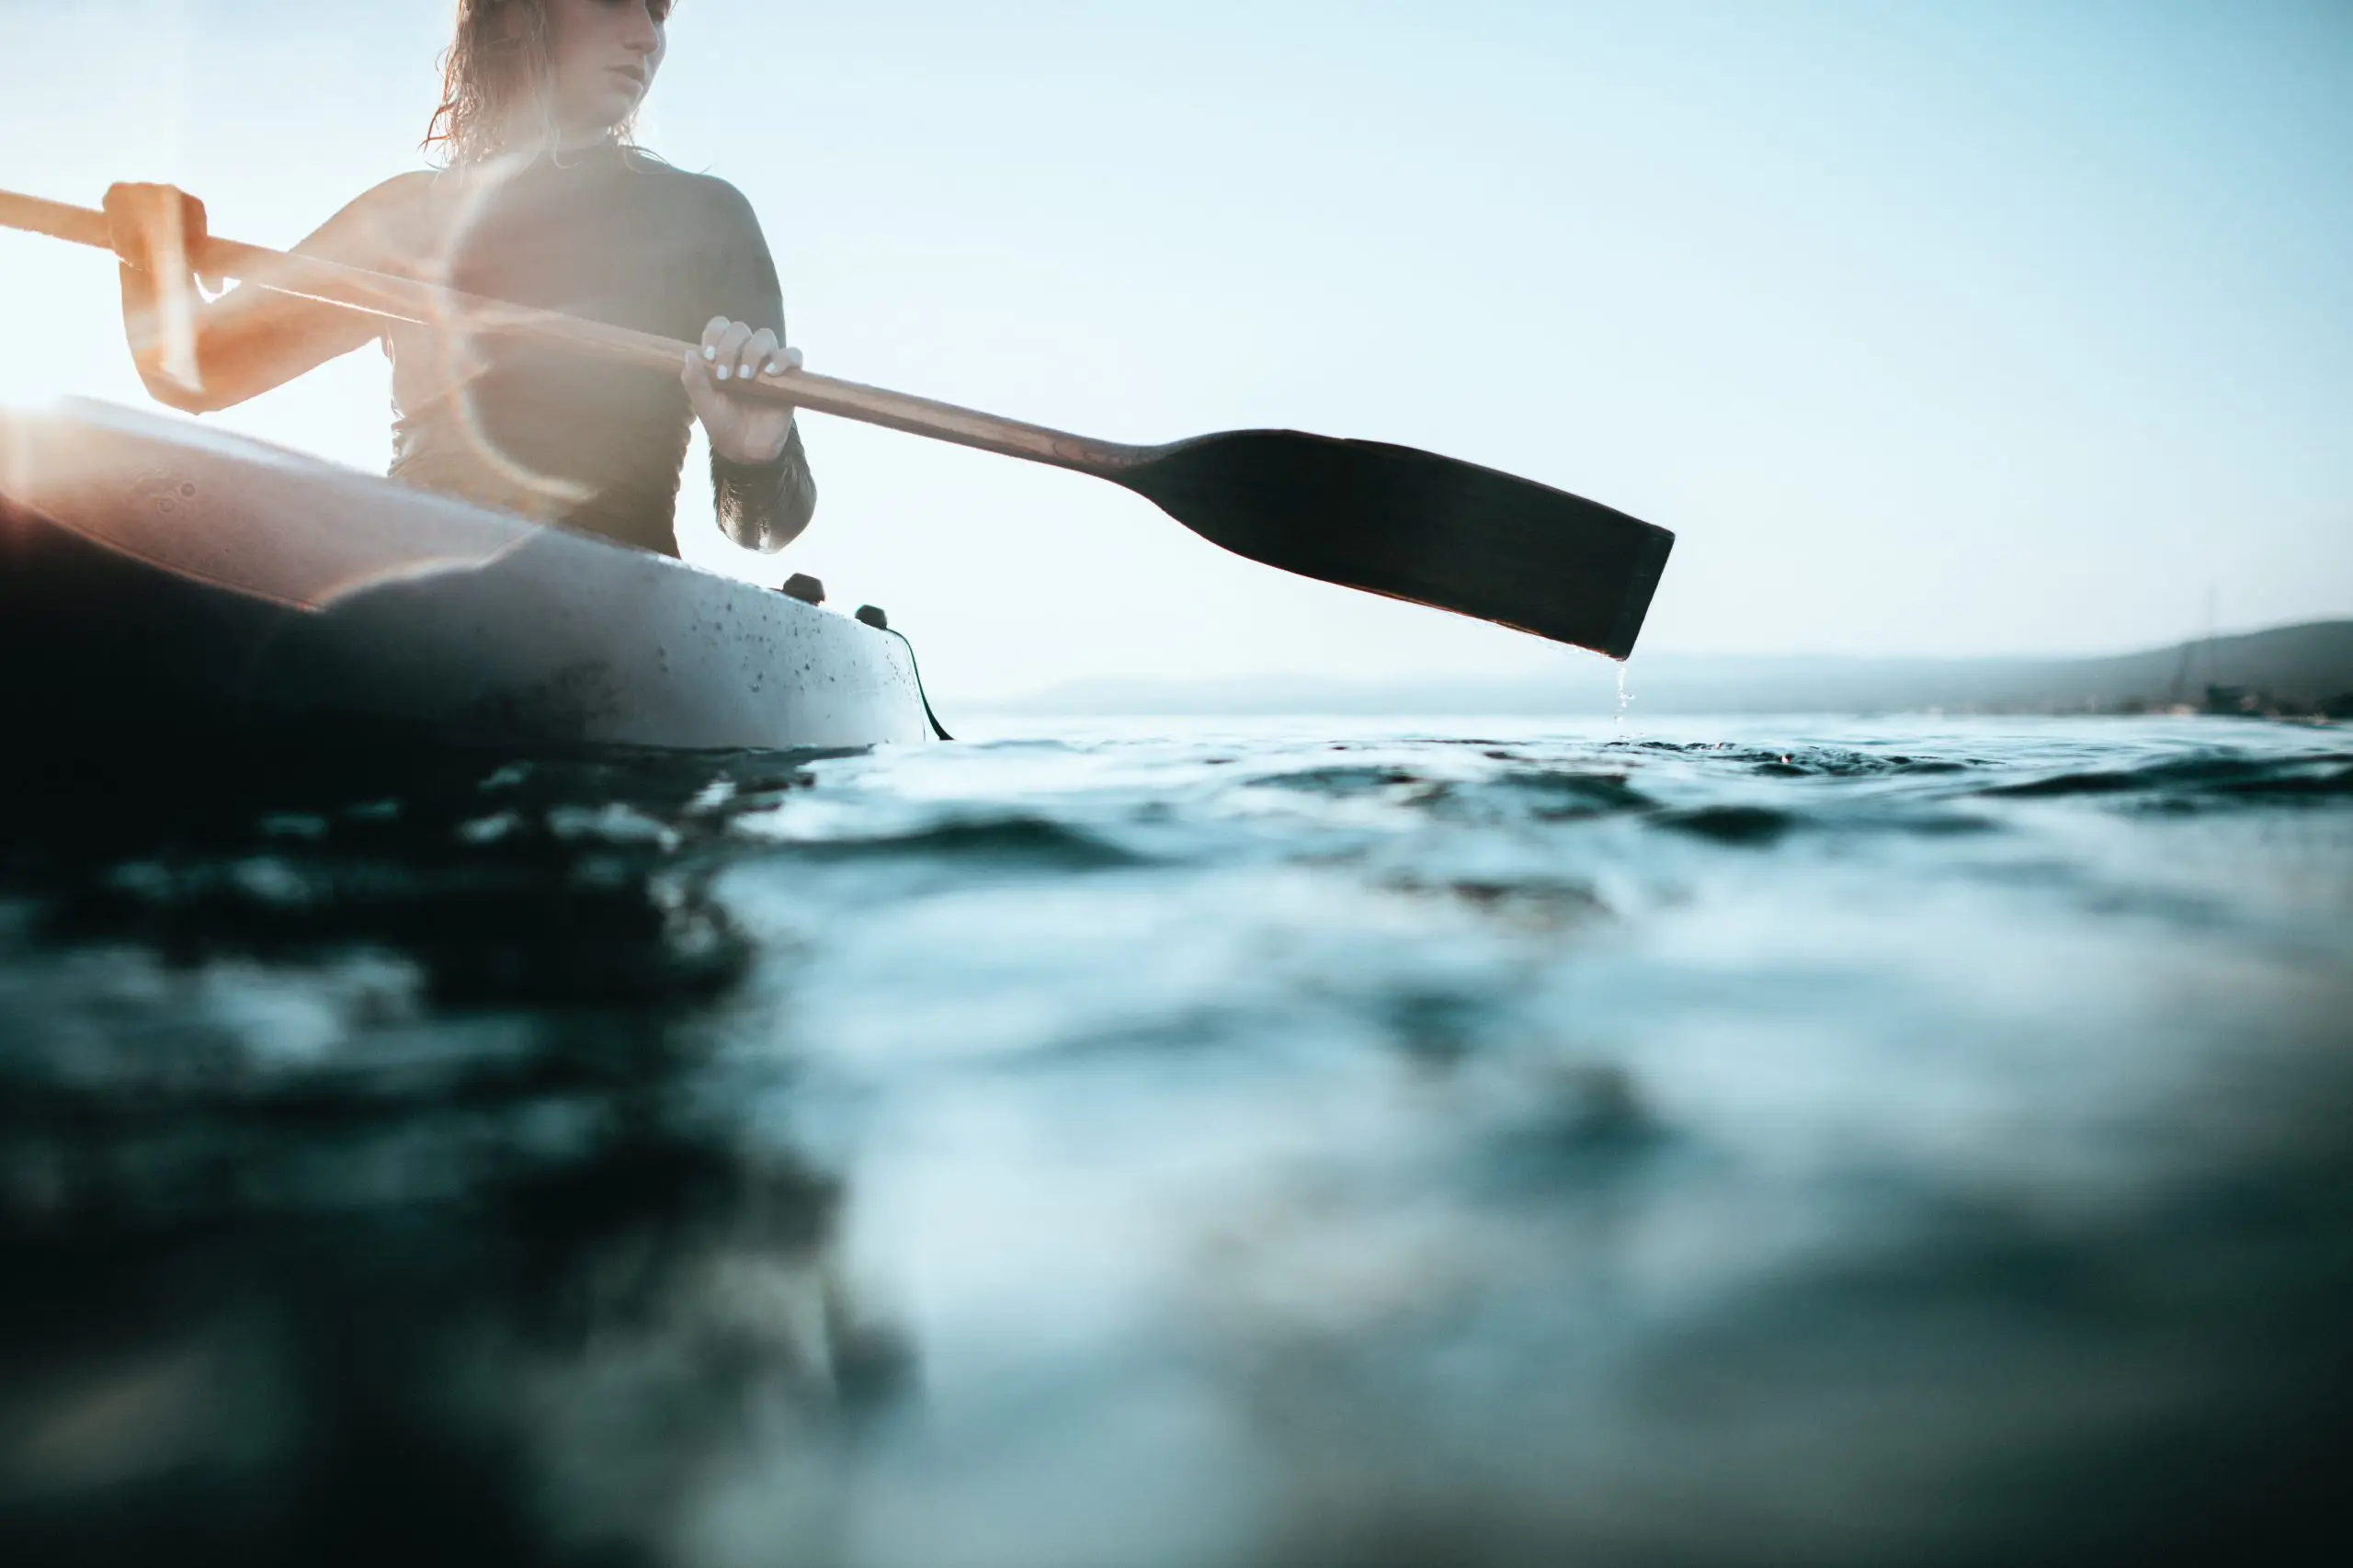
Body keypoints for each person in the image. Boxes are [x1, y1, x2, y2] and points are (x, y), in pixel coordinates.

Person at [104, 0, 814, 558]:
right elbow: (194, 370)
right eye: (610, 1)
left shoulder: (704, 220)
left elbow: (766, 528)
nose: (645, 35)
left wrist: (752, 455)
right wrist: (147, 259)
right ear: (512, 9)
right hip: (406, 591)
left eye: (658, 10)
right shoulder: (409, 217)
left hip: (617, 618)